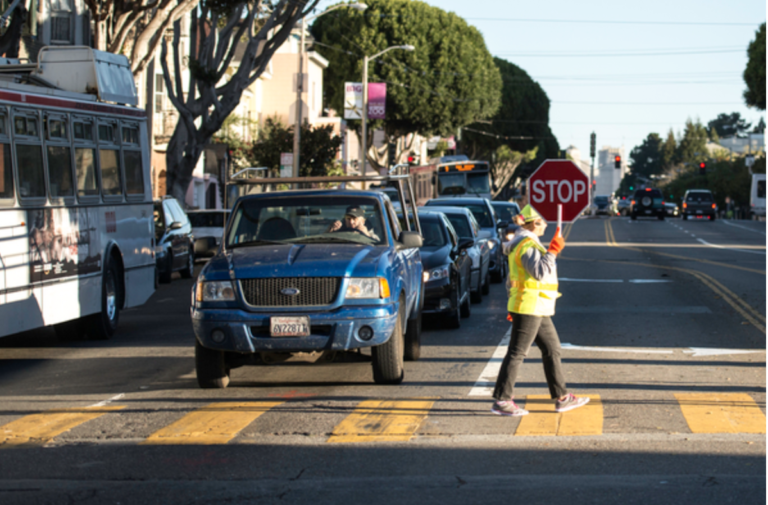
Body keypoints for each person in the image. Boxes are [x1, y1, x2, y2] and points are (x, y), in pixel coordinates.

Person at [491, 204, 589, 417]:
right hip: (530, 306)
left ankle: (562, 397)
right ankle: (502, 399)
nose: (546, 224)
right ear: (535, 223)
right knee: (517, 353)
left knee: (552, 349)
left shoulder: (525, 242)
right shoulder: (526, 244)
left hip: (534, 306)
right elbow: (539, 272)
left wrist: (513, 304)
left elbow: (511, 280)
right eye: (543, 221)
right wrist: (553, 250)